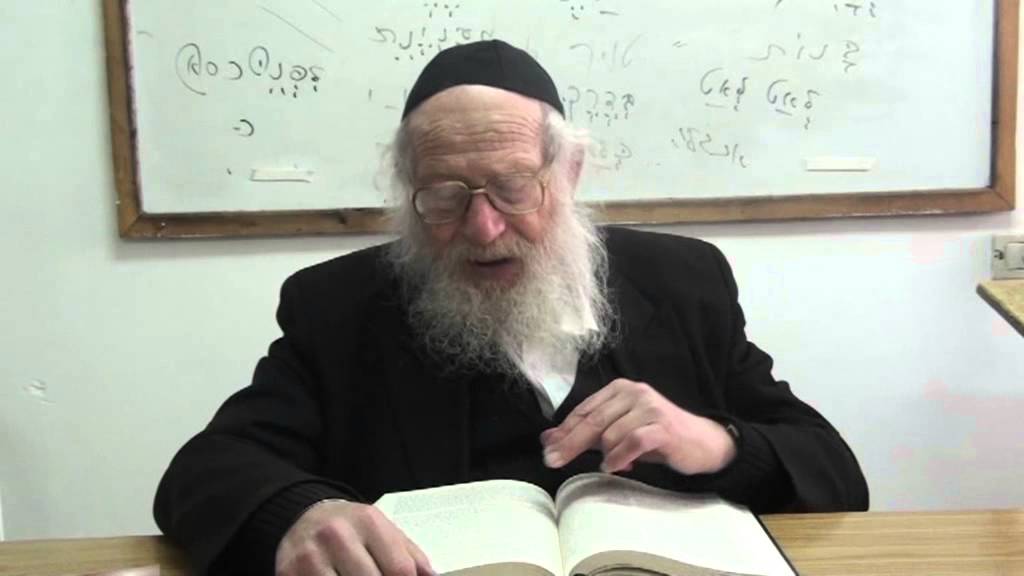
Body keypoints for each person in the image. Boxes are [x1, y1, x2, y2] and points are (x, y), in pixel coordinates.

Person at [154, 39, 868, 576]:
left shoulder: (682, 281)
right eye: (444, 196)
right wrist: (297, 514)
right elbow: (207, 469)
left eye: (514, 187)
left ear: (570, 171)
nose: (484, 227)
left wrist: (719, 443)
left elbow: (834, 471)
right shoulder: (339, 305)